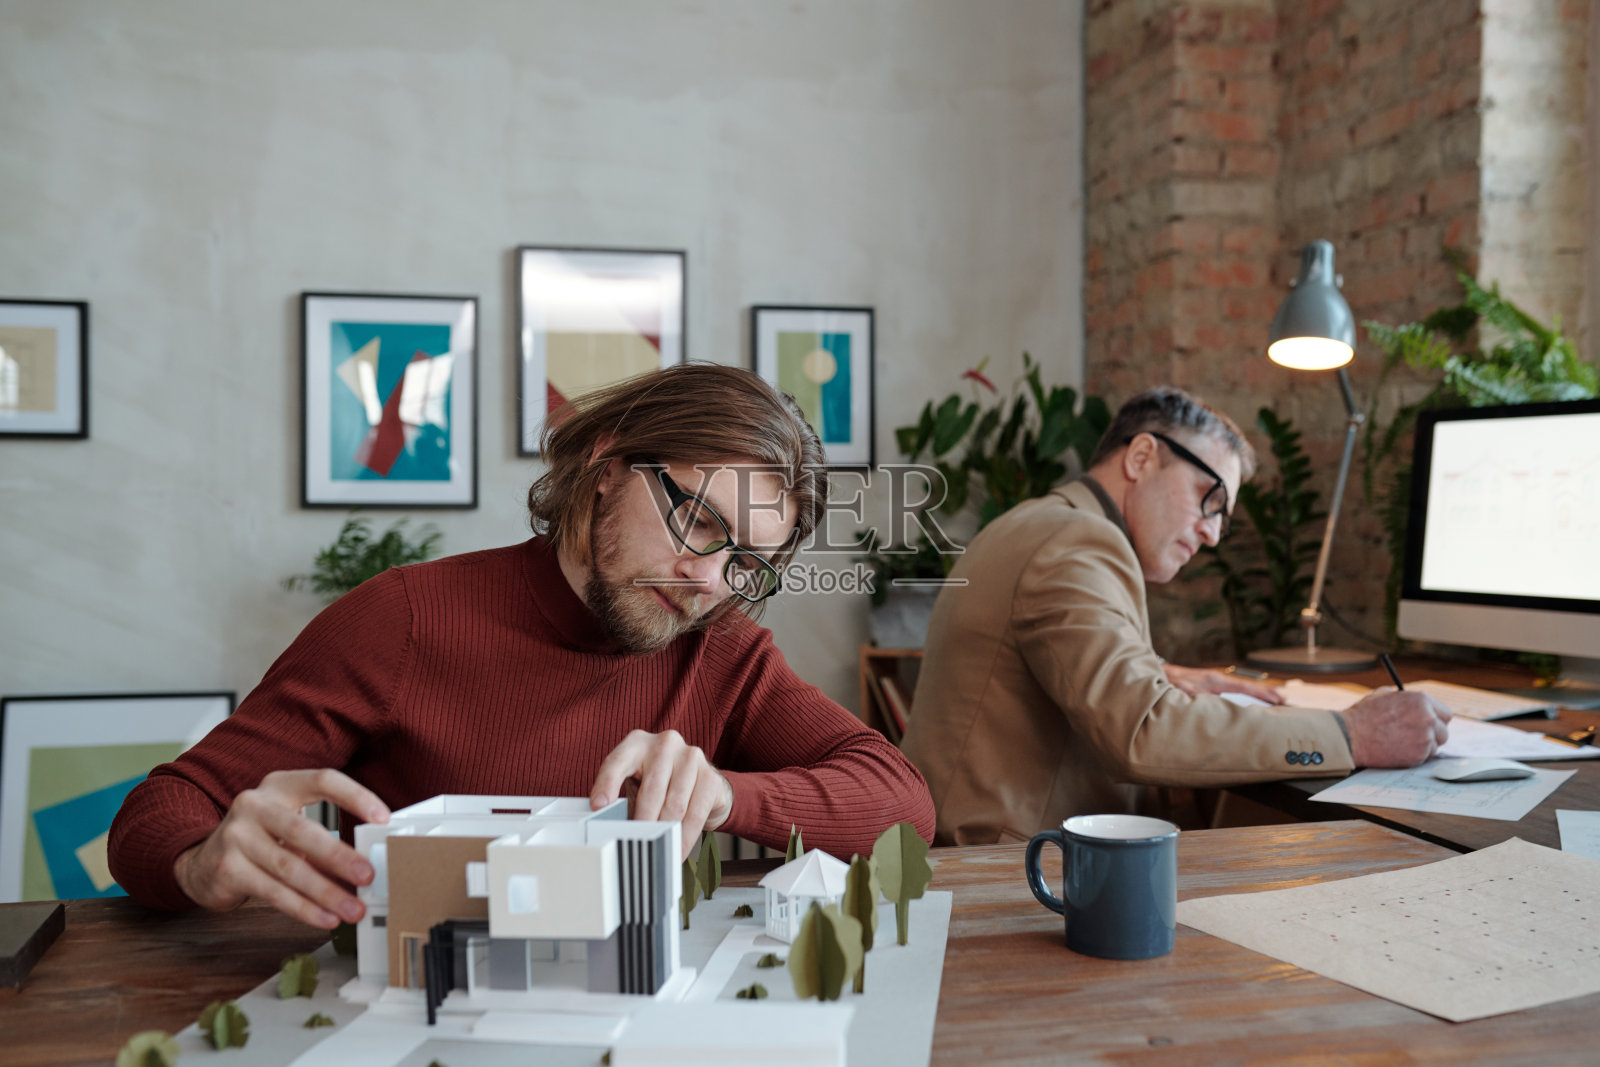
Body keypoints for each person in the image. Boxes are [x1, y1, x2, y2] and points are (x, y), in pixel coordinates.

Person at [109, 363, 934, 927]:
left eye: (745, 559)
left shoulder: (723, 649)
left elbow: (904, 805)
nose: (709, 579)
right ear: (609, 463)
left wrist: (725, 794)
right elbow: (157, 812)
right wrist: (199, 863)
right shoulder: (403, 620)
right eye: (699, 520)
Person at [899, 385, 1450, 845]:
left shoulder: (1041, 522)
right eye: (1209, 498)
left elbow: (1035, 668)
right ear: (1141, 457)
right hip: (1000, 874)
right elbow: (1144, 733)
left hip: (960, 844)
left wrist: (1162, 675)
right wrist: (1351, 733)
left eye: (1224, 518)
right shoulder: (1078, 542)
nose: (1212, 532)